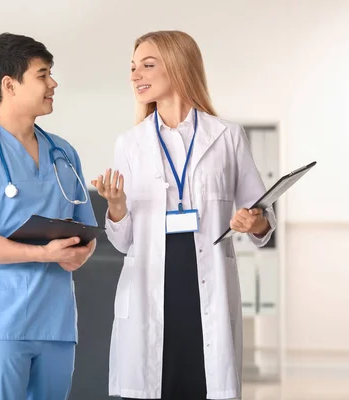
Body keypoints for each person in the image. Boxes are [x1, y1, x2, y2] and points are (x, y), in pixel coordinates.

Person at [91, 30, 277, 400]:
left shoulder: (227, 136)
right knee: (151, 384)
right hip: (150, 286)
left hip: (205, 286)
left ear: (177, 66)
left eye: (147, 65)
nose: (135, 76)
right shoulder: (130, 143)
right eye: (132, 68)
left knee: (203, 384)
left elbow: (262, 216)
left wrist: (250, 220)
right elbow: (123, 241)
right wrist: (116, 206)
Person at [0, 32, 97, 400]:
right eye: (42, 75)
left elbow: (85, 232)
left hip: (56, 322)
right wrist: (43, 254)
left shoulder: (63, 153)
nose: (53, 83)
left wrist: (79, 254)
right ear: (9, 85)